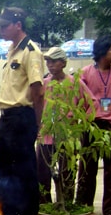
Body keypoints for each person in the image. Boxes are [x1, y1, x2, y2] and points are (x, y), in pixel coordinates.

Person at [0, 7, 44, 215]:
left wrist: (37, 124)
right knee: (3, 167)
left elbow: (38, 91)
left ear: (18, 24)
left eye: (5, 25)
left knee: (24, 170)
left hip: (22, 116)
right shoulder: (12, 50)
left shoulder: (31, 51)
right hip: (6, 116)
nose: (1, 29)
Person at [76, 35, 111, 215]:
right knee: (87, 168)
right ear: (102, 52)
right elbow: (79, 100)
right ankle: (83, 205)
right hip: (92, 126)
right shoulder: (85, 73)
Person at [36, 47, 97, 204]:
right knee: (42, 170)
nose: (50, 65)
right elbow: (35, 106)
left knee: (67, 170)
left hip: (68, 136)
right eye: (48, 62)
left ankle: (66, 202)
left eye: (54, 61)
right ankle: (44, 202)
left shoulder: (75, 83)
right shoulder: (44, 84)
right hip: (46, 135)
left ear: (63, 63)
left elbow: (92, 103)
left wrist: (83, 123)